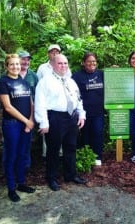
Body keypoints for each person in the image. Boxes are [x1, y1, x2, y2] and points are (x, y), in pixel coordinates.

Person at [35, 54, 87, 191]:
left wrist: (81, 115)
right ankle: (51, 178)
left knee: (70, 147)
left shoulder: (70, 81)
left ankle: (70, 175)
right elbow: (40, 103)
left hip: (71, 118)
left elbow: (78, 99)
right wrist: (43, 123)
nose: (63, 66)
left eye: (65, 63)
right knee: (53, 150)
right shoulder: (45, 81)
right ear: (53, 64)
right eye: (60, 63)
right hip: (54, 118)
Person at [0, 54, 36, 202]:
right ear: (6, 66)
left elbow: (31, 102)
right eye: (12, 64)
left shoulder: (23, 82)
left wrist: (30, 121)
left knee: (22, 155)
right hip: (12, 124)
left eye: (17, 64)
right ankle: (11, 188)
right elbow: (7, 107)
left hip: (26, 124)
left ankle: (21, 183)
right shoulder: (3, 82)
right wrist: (26, 121)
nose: (15, 67)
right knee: (11, 156)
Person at [72, 52, 104, 166]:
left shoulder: (101, 74)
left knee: (98, 133)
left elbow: (113, 81)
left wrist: (114, 70)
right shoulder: (77, 76)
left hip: (98, 112)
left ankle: (97, 156)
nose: (92, 63)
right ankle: (86, 157)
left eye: (94, 61)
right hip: (83, 113)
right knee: (85, 135)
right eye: (89, 61)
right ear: (84, 63)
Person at [36, 44, 68, 159]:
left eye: (57, 51)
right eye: (52, 51)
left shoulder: (64, 66)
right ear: (48, 53)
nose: (54, 53)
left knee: (63, 138)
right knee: (49, 137)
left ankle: (60, 156)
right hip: (49, 107)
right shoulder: (42, 68)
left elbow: (68, 83)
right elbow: (39, 84)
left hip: (63, 107)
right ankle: (46, 156)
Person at [18, 50, 38, 170]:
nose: (26, 62)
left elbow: (39, 95)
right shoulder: (9, 75)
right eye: (23, 59)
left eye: (28, 59)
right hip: (13, 115)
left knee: (28, 140)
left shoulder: (33, 76)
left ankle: (26, 167)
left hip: (30, 114)